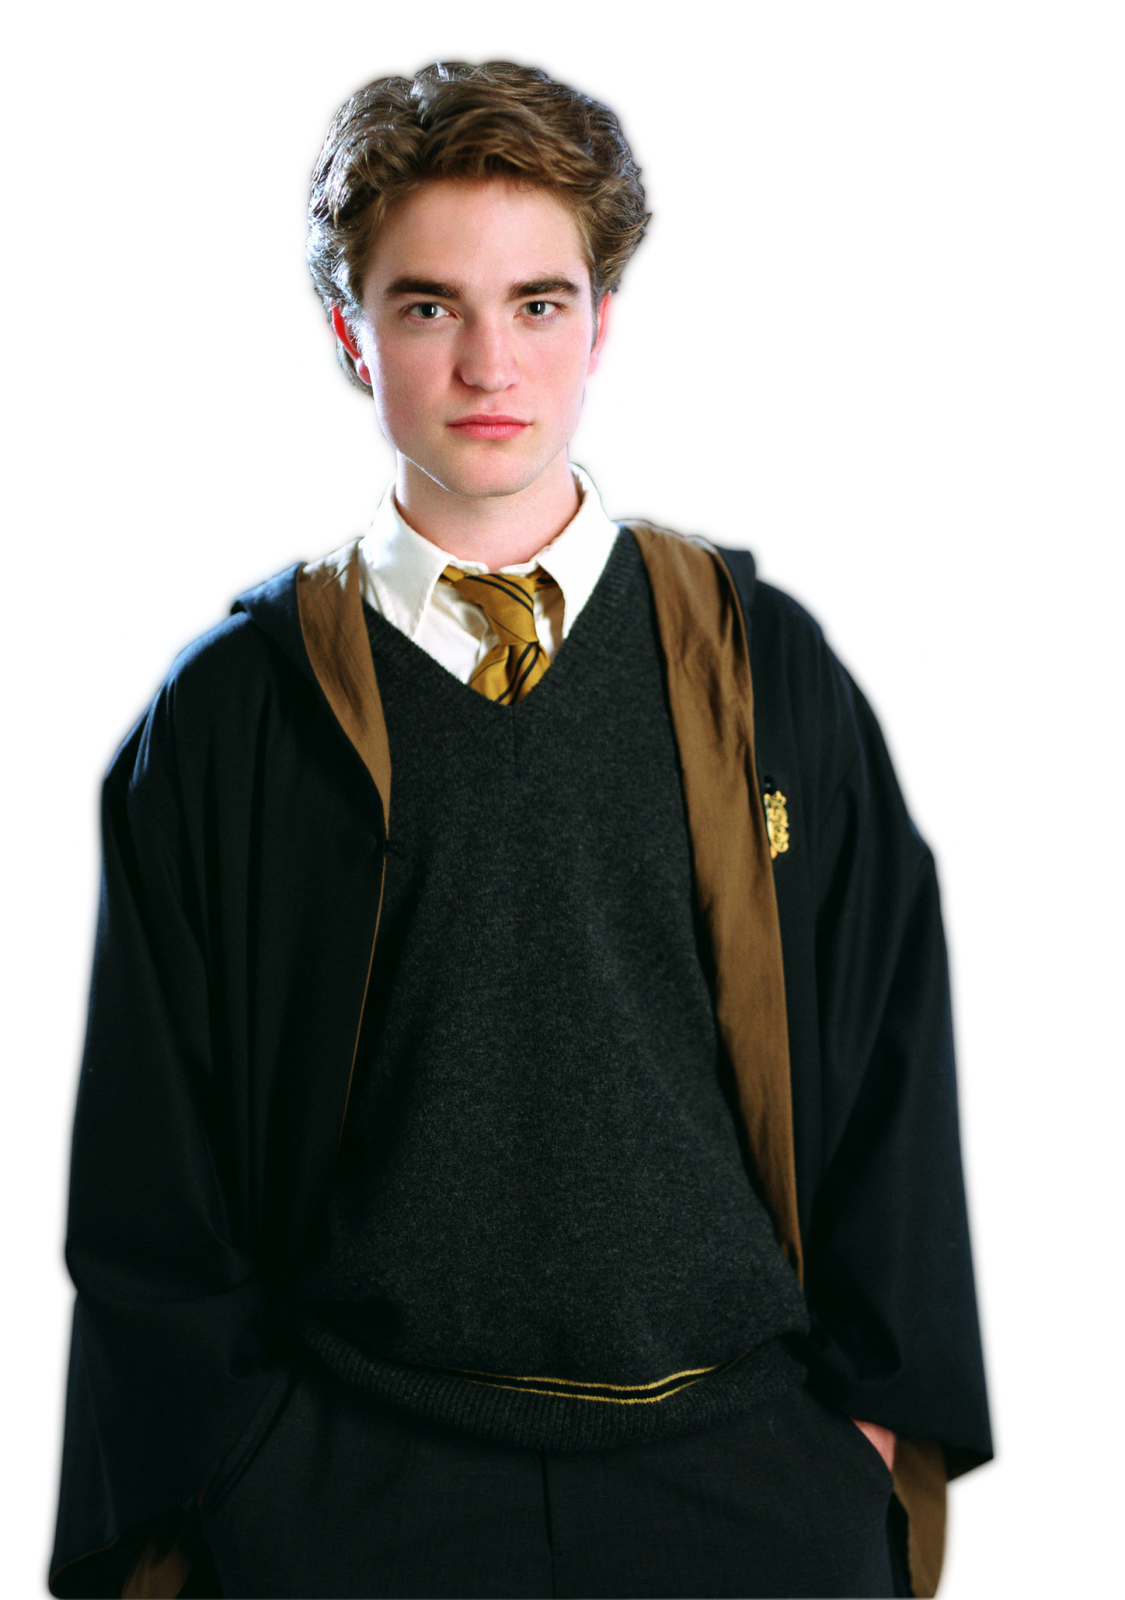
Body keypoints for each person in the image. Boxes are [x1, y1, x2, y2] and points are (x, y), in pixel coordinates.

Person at [41, 49, 1001, 1600]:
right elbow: (146, 1154)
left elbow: (898, 1041)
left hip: (744, 1471)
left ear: (607, 329)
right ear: (349, 337)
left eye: (539, 304)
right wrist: (238, 1468)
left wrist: (869, 1431)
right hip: (351, 1483)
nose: (491, 364)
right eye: (430, 307)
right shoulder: (224, 706)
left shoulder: (761, 657)